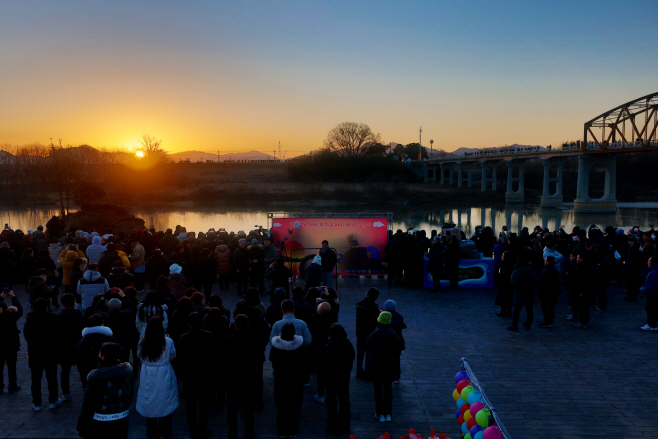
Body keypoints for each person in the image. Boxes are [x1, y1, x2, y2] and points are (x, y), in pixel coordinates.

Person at [77, 343, 133, 439]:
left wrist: (83, 425)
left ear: (103, 357)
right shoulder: (127, 372)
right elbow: (130, 394)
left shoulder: (95, 377)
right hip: (122, 418)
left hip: (101, 421)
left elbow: (88, 404)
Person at [221, 314, 264, 439]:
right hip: (249, 379)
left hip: (232, 379)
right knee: (249, 408)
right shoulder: (254, 340)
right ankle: (249, 431)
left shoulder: (227, 340)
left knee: (232, 408)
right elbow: (259, 362)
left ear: (235, 326)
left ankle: (232, 431)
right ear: (247, 326)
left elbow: (222, 361)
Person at [136, 317, 179, 439]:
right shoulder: (168, 341)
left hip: (147, 373)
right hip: (164, 373)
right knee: (166, 400)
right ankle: (164, 432)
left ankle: (152, 431)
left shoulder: (142, 342)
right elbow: (173, 356)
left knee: (149, 400)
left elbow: (139, 356)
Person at [178, 312, 215, 439]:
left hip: (190, 376)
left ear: (188, 324)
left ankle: (193, 431)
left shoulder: (183, 338)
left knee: (191, 406)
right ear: (201, 323)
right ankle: (203, 430)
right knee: (204, 406)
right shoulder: (208, 336)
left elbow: (181, 358)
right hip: (204, 376)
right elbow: (212, 356)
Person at [23, 298, 62, 411]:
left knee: (35, 379)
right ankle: (53, 400)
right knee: (52, 378)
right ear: (46, 307)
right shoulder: (53, 318)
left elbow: (27, 336)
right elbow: (58, 335)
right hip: (50, 353)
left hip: (35, 353)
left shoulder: (29, 320)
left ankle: (37, 403)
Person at [269, 321, 304, 438]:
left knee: (281, 406)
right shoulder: (299, 345)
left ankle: (282, 430)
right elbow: (305, 361)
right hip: (295, 379)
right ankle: (293, 430)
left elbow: (272, 359)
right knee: (294, 406)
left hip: (280, 379)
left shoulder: (276, 345)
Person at [366, 311, 399, 423]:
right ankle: (388, 413)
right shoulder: (393, 334)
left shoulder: (374, 334)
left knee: (378, 390)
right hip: (389, 365)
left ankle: (379, 413)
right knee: (388, 390)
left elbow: (368, 347)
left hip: (377, 365)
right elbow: (396, 348)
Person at [322, 323, 355, 435]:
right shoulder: (347, 344)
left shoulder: (328, 346)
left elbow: (324, 363)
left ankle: (332, 426)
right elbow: (351, 358)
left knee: (331, 403)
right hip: (343, 377)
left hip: (331, 378)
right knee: (344, 401)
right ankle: (345, 425)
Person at [57, 293, 86, 400]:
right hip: (79, 346)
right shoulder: (81, 316)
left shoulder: (59, 317)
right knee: (83, 369)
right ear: (74, 302)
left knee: (65, 371)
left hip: (64, 347)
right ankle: (85, 387)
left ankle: (65, 392)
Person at [76, 314, 116, 389]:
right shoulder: (110, 339)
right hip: (107, 374)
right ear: (102, 324)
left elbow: (79, 362)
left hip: (88, 374)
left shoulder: (81, 342)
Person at [309, 302, 338, 404]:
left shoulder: (315, 318)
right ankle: (333, 392)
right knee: (332, 371)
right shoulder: (333, 316)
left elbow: (312, 332)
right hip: (332, 347)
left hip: (319, 348)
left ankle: (321, 394)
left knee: (320, 373)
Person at [0, 289, 23, 394]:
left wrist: (1, 298)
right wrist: (13, 296)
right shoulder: (10, 317)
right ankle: (12, 385)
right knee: (11, 367)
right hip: (10, 346)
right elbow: (19, 310)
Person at [507, 258, 539, 332]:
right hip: (529, 293)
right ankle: (528, 324)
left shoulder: (515, 272)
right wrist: (531, 289)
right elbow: (536, 281)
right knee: (529, 309)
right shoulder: (532, 272)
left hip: (519, 293)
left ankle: (515, 325)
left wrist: (520, 289)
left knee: (517, 310)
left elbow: (514, 283)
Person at [355, 288, 379, 379]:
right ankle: (367, 372)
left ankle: (359, 370)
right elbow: (377, 318)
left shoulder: (359, 305)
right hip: (370, 333)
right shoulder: (374, 306)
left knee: (360, 353)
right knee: (369, 353)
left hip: (360, 332)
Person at [382, 300, 406, 383]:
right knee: (396, 359)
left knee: (384, 359)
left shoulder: (383, 317)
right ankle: (396, 377)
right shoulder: (399, 317)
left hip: (385, 341)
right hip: (397, 341)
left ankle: (385, 375)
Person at [538, 256, 560, 328]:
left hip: (547, 291)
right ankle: (549, 320)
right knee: (550, 306)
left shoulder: (548, 270)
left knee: (546, 306)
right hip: (550, 291)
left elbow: (547, 281)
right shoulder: (551, 269)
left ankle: (548, 320)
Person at [642, 255, 658, 331]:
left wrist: (646, 288)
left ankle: (651, 324)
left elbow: (654, 283)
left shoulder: (654, 271)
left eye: (649, 261)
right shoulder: (654, 270)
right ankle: (653, 324)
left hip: (653, 294)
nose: (647, 262)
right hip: (654, 293)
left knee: (650, 309)